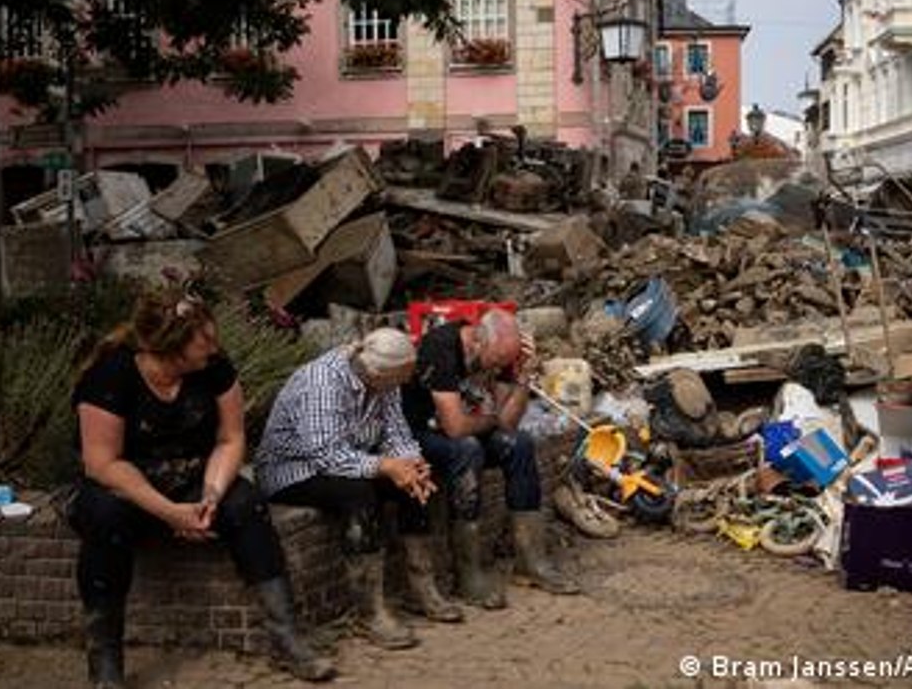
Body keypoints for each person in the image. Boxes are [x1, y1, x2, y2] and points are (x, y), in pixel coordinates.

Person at [68, 288, 333, 688]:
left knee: (246, 505)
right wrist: (169, 512)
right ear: (172, 348)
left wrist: (210, 495)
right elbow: (103, 463)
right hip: (126, 486)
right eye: (203, 341)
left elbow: (230, 439)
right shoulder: (110, 376)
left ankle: (286, 635)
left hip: (192, 476)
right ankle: (105, 659)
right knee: (104, 520)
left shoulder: (214, 368)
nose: (214, 347)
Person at [255, 328, 462, 650]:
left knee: (414, 483)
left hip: (352, 462)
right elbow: (327, 455)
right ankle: (369, 612)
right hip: (295, 471)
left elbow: (397, 433)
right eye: (403, 375)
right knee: (357, 494)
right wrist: (387, 466)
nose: (408, 381)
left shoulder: (385, 382)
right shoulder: (322, 382)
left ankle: (421, 588)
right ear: (379, 373)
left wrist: (411, 463)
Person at [401, 309, 579, 610]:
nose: (497, 368)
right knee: (467, 448)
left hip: (468, 427)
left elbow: (507, 424)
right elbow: (455, 427)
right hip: (419, 431)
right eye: (494, 362)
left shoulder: (503, 354)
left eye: (503, 364)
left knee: (519, 444)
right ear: (477, 343)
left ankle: (530, 560)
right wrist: (491, 418)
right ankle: (467, 573)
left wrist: (523, 378)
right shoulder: (442, 346)